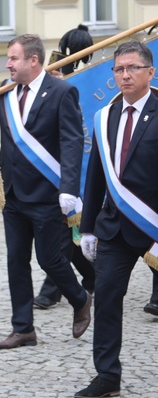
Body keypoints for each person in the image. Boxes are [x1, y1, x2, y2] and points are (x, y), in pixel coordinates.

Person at [0, 34, 91, 350]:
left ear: (34, 60)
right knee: (16, 261)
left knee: (50, 260)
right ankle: (23, 329)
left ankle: (79, 298)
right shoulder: (5, 94)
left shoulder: (62, 92)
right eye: (8, 58)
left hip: (48, 194)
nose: (8, 64)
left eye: (14, 58)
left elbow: (71, 142)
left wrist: (69, 188)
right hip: (14, 194)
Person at [76, 40, 158, 397]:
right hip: (114, 228)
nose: (124, 75)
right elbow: (95, 174)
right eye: (119, 69)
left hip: (154, 225)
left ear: (150, 72)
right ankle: (107, 376)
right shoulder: (105, 115)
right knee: (107, 300)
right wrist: (89, 227)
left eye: (132, 68)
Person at [35, 25, 96, 309]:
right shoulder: (55, 70)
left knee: (67, 234)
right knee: (65, 232)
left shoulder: (94, 73)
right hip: (52, 164)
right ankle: (88, 277)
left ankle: (53, 289)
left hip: (80, 163)